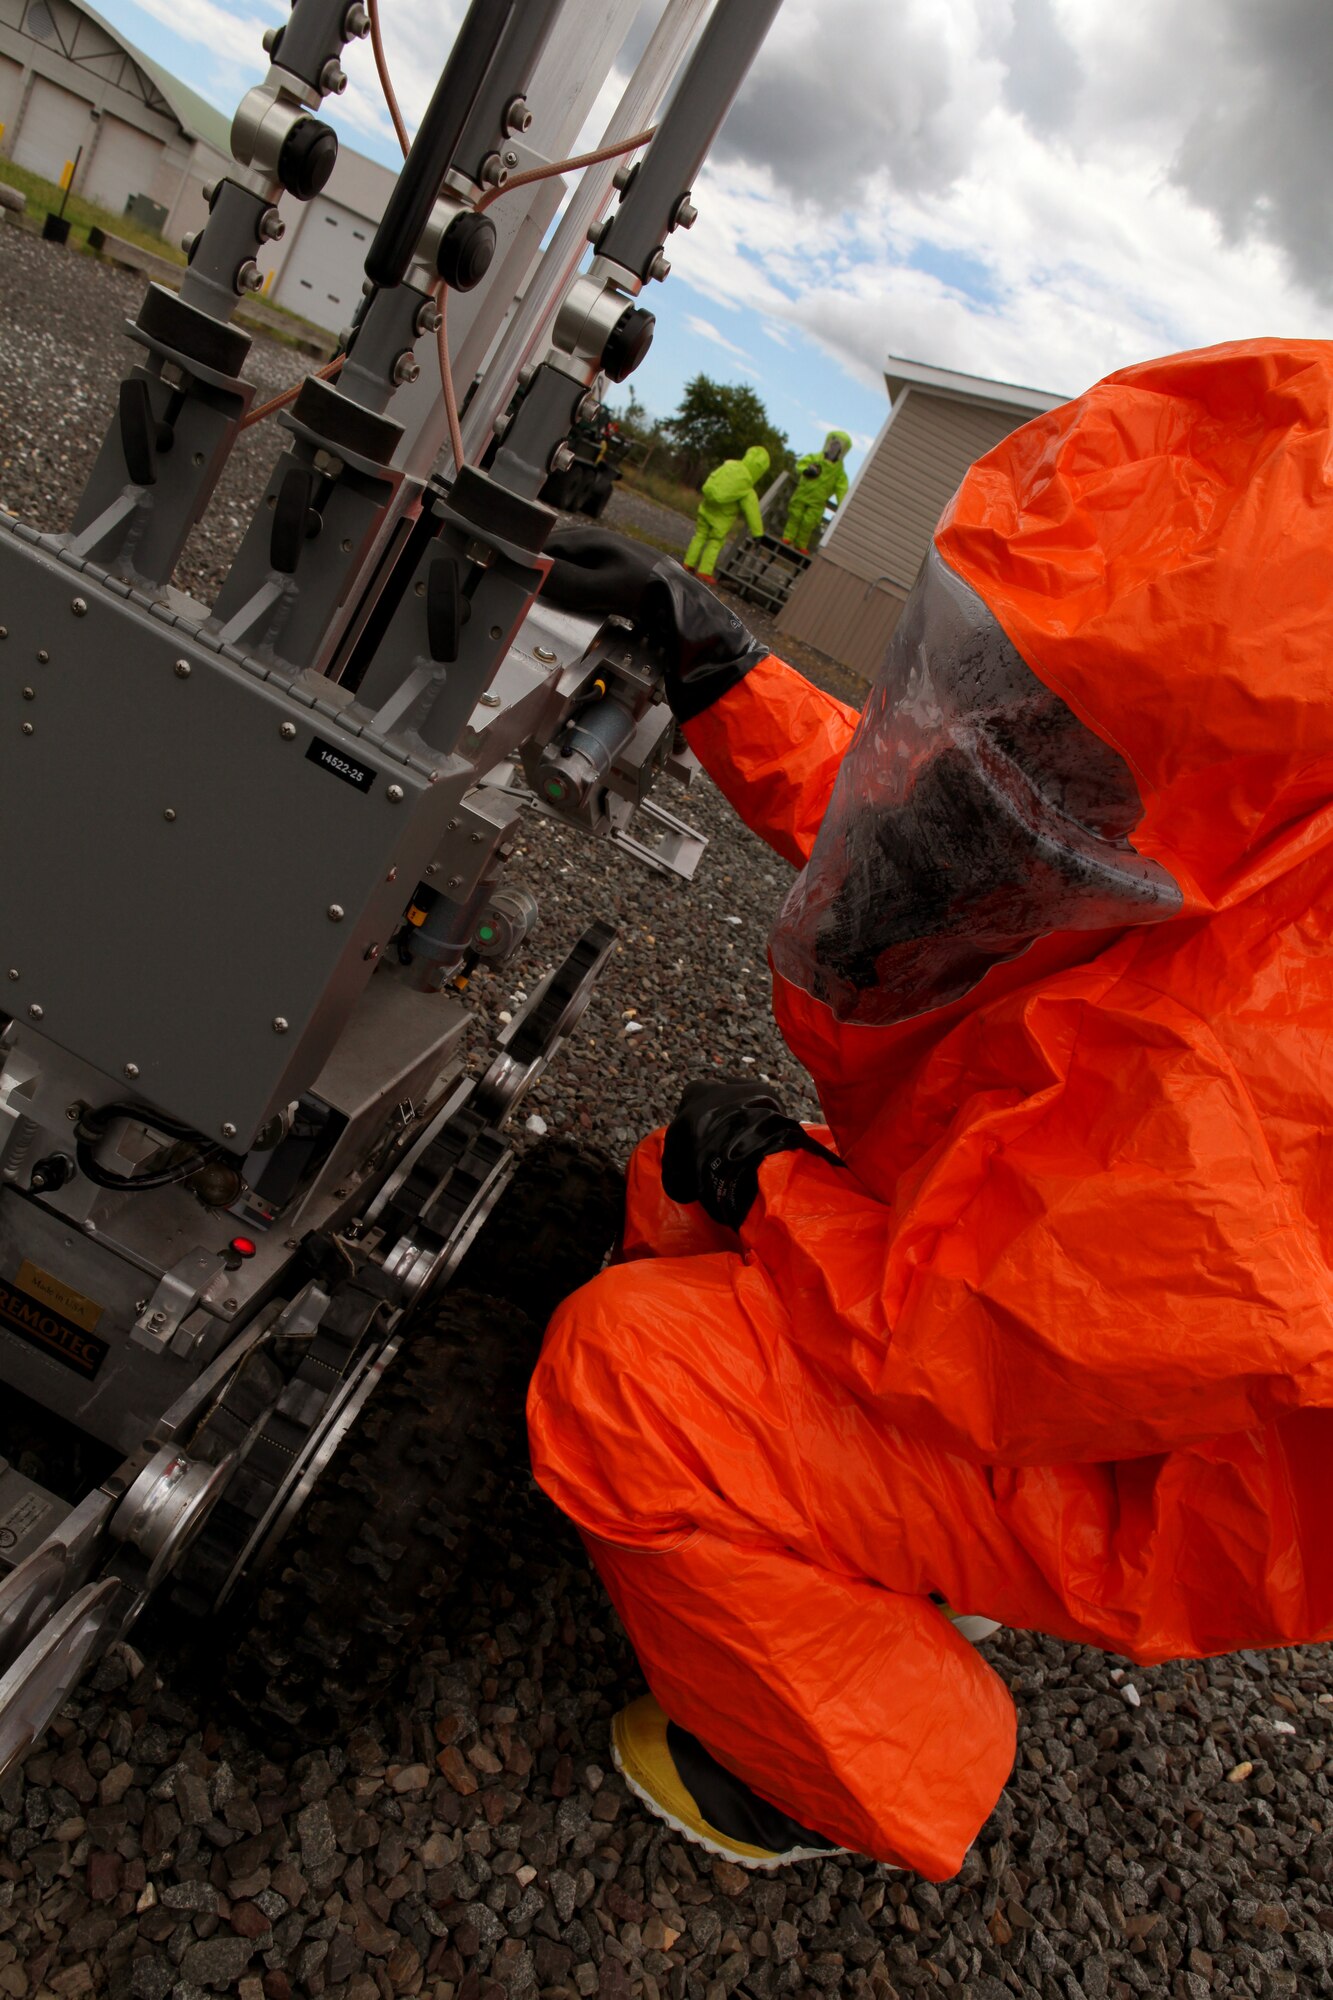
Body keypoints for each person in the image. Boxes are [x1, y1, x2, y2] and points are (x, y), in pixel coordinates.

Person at [529, 339, 1333, 1878]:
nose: (1001, 762)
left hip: (1143, 1476)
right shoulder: (1180, 825)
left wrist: (777, 1176)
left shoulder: (1265, 1075)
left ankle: (871, 1768)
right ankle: (822, 1531)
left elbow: (996, 1350)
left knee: (627, 1371)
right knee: (669, 1191)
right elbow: (939, 831)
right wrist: (709, 657)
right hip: (1032, 1312)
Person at [683, 444, 770, 581]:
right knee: (715, 542)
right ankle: (704, 571)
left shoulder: (729, 465)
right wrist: (758, 533)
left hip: (706, 507)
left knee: (699, 536)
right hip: (721, 518)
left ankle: (688, 563)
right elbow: (752, 511)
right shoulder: (747, 485)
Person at [783, 428, 852, 551]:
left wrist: (843, 505)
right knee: (795, 515)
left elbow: (842, 490)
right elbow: (800, 465)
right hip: (802, 494)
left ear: (842, 451)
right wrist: (806, 470)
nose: (834, 450)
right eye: (833, 446)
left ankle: (801, 544)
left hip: (818, 502)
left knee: (809, 523)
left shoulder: (839, 472)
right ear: (828, 444)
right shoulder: (814, 457)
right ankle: (788, 536)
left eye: (837, 448)